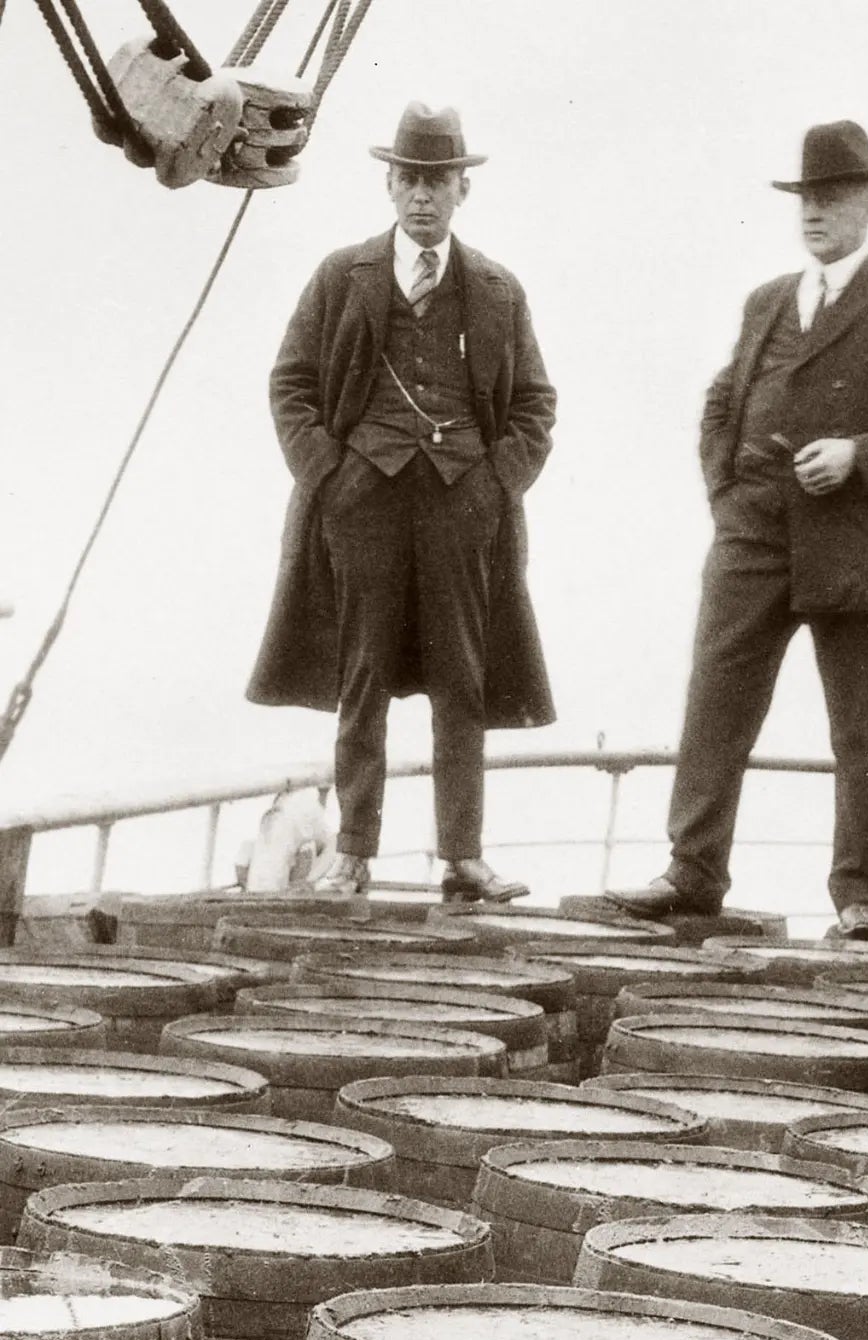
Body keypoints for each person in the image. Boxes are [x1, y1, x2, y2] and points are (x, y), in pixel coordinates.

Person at [609, 121, 868, 938]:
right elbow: (720, 402)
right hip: (754, 534)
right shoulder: (767, 301)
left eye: (835, 197)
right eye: (808, 197)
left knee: (859, 728)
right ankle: (692, 870)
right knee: (716, 705)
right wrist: (727, 494)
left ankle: (861, 895)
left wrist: (858, 454)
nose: (816, 213)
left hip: (859, 545)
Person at [247, 102, 556, 902]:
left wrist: (493, 487)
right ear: (389, 185)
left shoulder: (496, 289)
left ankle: (463, 855)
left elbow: (534, 408)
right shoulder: (340, 276)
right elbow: (291, 386)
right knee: (363, 673)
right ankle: (352, 852)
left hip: (462, 509)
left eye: (439, 181)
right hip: (363, 507)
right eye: (411, 179)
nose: (424, 196)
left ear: (463, 191)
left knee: (465, 680)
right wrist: (330, 475)